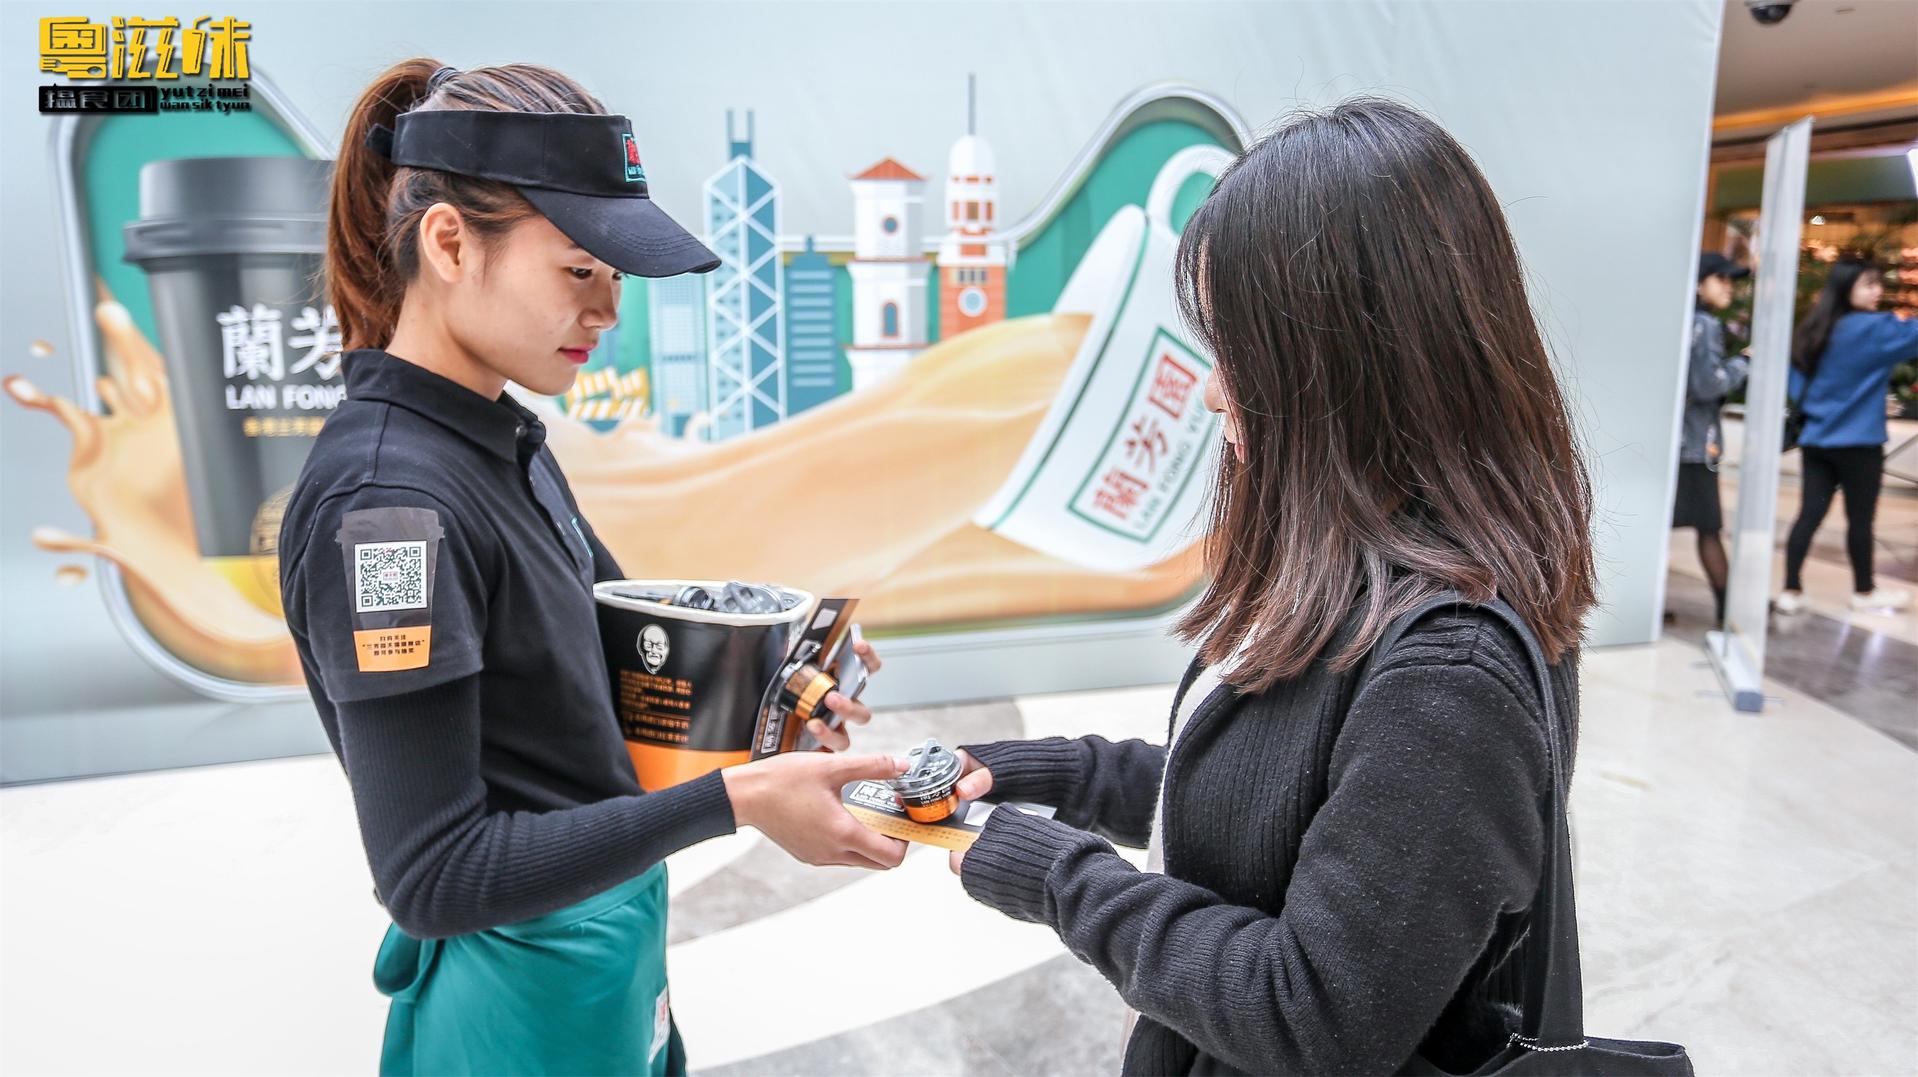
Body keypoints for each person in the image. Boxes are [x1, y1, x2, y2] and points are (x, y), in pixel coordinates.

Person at [278, 59, 907, 1076]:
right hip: (512, 998)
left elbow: (588, 690)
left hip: (601, 959)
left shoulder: (498, 438)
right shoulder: (390, 510)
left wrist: (769, 702)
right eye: (580, 269)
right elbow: (435, 873)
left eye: (616, 276)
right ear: (448, 243)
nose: (608, 310)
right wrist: (738, 802)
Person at [944, 98, 1599, 1074]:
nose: (1212, 389)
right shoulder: (1370, 578)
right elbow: (1267, 813)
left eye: (1236, 347)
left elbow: (1312, 1016)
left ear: (1345, 359)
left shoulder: (1449, 676)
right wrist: (1049, 775)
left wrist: (1057, 877)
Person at [1777, 256, 1918, 614]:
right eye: (1869, 284)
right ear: (1847, 288)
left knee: (1809, 514)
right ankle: (1864, 592)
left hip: (1817, 439)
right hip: (1859, 442)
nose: (1877, 291)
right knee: (1860, 519)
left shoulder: (1815, 328)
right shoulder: (1876, 329)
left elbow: (1796, 384)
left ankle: (1791, 590)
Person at [1672, 253, 1750, 625]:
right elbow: (1708, 384)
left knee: (1672, 526)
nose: (1728, 287)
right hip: (1695, 445)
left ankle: (1649, 603)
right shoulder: (1705, 323)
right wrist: (1743, 363)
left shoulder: (1681, 320)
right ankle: (1730, 608)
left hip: (1674, 442)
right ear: (1700, 282)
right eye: (1722, 279)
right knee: (1708, 528)